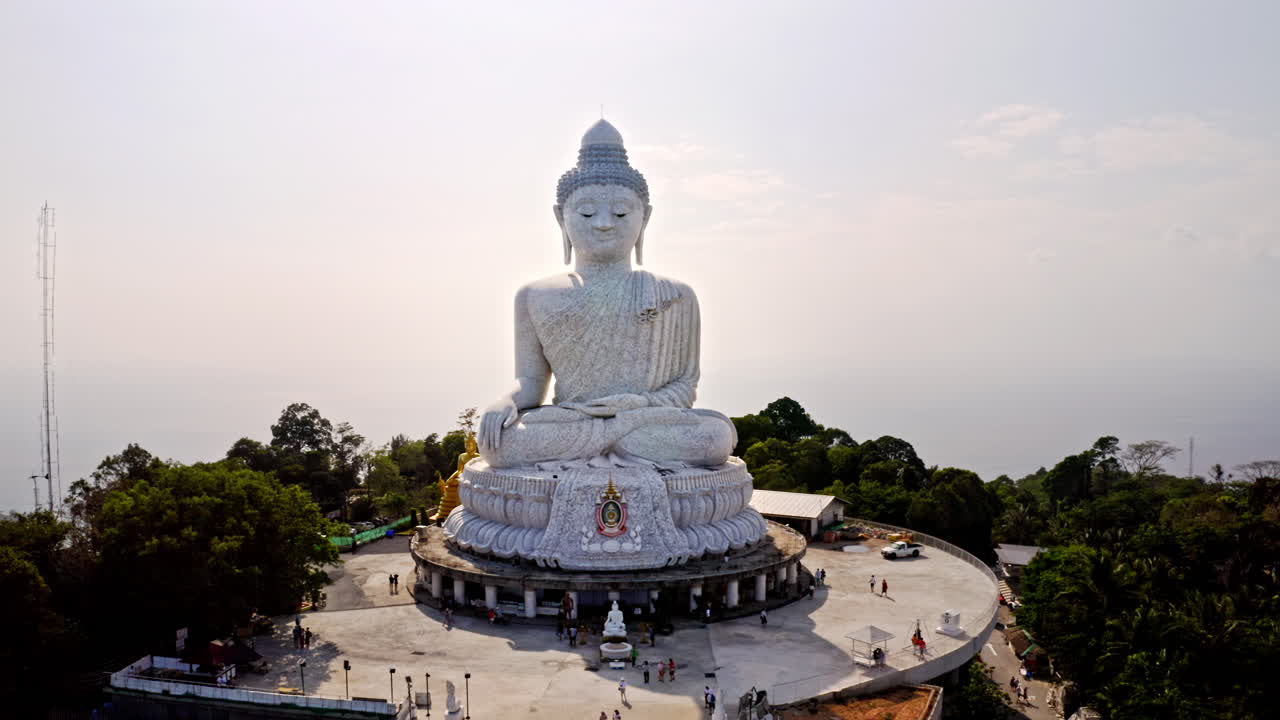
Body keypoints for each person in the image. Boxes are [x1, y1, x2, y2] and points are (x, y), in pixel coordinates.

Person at [476, 119, 737, 471]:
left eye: (620, 212)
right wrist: (505, 401)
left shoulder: (677, 295)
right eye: (586, 211)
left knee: (713, 438)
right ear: (560, 217)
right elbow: (532, 383)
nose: (603, 223)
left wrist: (636, 406)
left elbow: (684, 386)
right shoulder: (533, 296)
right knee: (498, 444)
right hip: (572, 420)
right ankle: (616, 443)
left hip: (645, 420)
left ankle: (613, 440)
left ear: (645, 218)